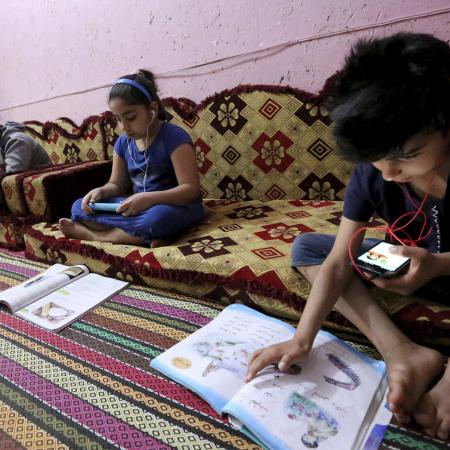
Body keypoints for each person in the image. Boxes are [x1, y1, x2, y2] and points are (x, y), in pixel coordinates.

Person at [246, 32, 450, 440]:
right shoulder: (372, 173)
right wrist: (301, 339)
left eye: (407, 155)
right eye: (377, 156)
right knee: (310, 248)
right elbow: (339, 260)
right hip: (414, 260)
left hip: (439, 265)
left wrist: (438, 265)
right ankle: (402, 352)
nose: (389, 172)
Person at [59, 69, 204, 246]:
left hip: (175, 207)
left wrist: (149, 199)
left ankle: (95, 236)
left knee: (157, 220)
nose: (124, 127)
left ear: (152, 110)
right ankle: (147, 236)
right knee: (79, 206)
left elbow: (190, 190)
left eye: (131, 117)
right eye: (118, 119)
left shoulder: (174, 138)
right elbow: (117, 184)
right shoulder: (123, 142)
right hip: (138, 208)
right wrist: (102, 191)